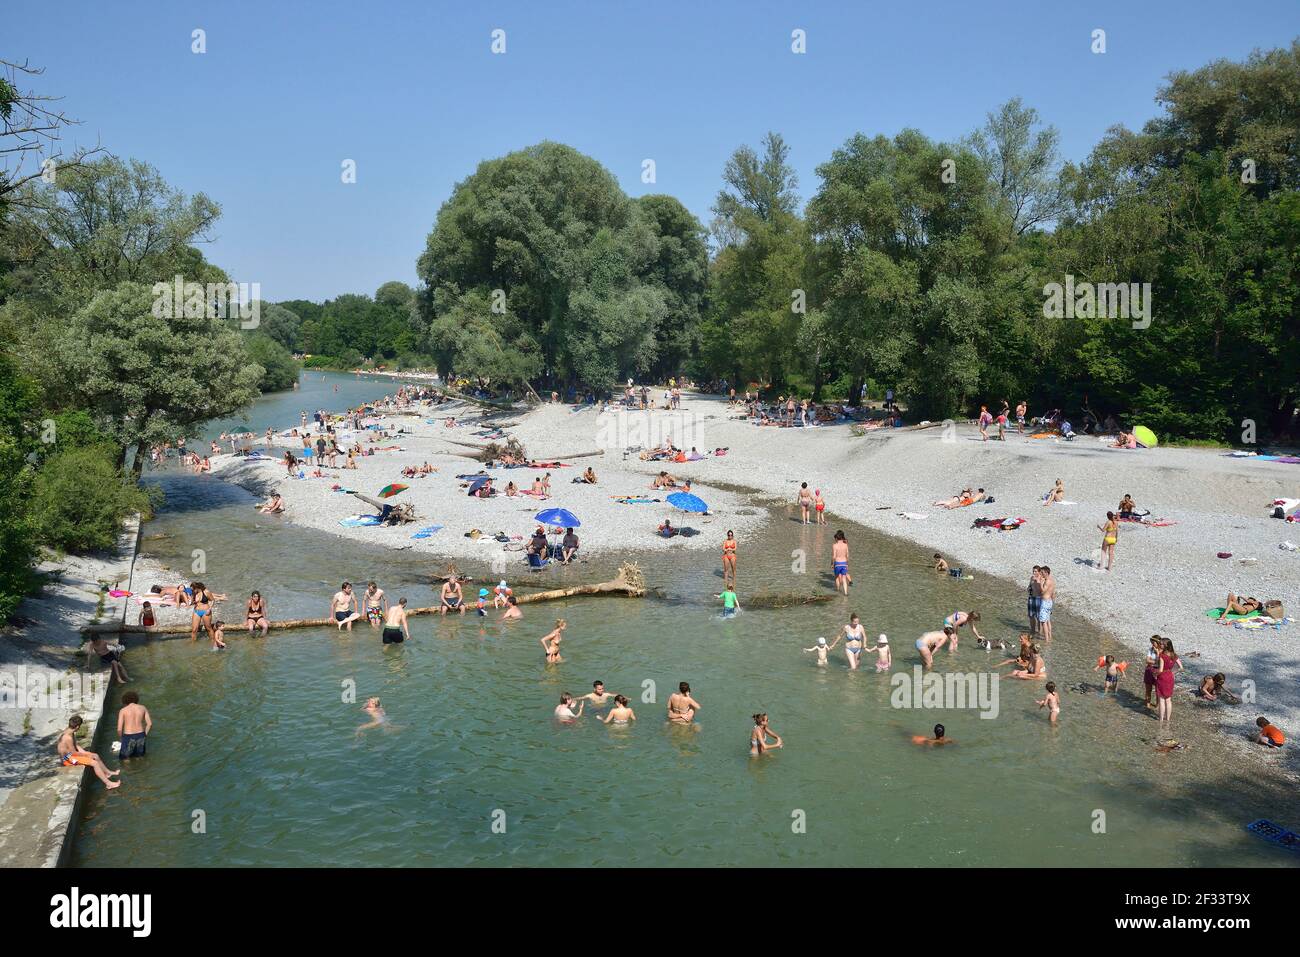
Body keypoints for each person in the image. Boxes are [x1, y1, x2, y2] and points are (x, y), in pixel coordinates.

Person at [56, 716, 120, 789]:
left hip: (69, 755)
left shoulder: (69, 731)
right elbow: (73, 753)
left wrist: (85, 752)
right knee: (94, 763)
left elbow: (75, 745)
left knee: (95, 755)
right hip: (67, 760)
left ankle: (108, 773)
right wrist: (86, 754)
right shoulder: (68, 737)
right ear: (77, 727)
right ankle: (108, 784)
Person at [1154, 637, 1182, 725]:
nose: (1160, 645)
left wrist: (1155, 674)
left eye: (1162, 644)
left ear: (1166, 645)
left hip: (1162, 677)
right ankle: (1168, 720)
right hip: (1170, 677)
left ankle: (1161, 720)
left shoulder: (1162, 655)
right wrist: (1173, 672)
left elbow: (1161, 670)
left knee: (1162, 699)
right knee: (1168, 699)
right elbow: (1181, 667)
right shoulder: (1174, 655)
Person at [116, 690, 152, 758]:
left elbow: (119, 729)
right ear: (136, 699)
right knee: (139, 757)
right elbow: (149, 724)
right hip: (141, 735)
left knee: (125, 758)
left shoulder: (123, 710)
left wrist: (121, 738)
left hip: (128, 736)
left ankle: (127, 769)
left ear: (125, 700)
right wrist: (145, 735)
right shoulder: (143, 708)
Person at [1142, 635, 1163, 710]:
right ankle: (1147, 704)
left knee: (1158, 690)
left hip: (1158, 671)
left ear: (1158, 642)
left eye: (1153, 642)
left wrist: (1157, 654)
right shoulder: (1150, 649)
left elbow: (1161, 662)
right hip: (1149, 670)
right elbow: (1147, 660)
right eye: (1151, 642)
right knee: (1148, 689)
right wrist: (1156, 661)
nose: (1152, 644)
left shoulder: (1162, 651)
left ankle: (1157, 705)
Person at [1038, 566, 1055, 642]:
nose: (1041, 574)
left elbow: (1043, 591)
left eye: (1042, 573)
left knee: (1043, 622)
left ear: (1046, 573)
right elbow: (1053, 593)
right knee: (1048, 620)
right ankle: (1050, 637)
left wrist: (1041, 583)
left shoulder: (1047, 581)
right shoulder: (1052, 580)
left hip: (1045, 602)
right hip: (1049, 601)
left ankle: (1047, 640)